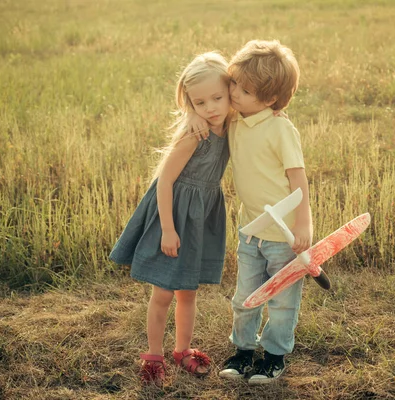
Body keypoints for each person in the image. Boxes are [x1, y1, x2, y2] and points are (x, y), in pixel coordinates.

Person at [188, 39, 312, 385]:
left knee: (282, 300)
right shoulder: (236, 120)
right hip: (250, 230)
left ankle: (273, 357)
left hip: (283, 236)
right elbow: (205, 108)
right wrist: (191, 117)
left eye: (243, 89)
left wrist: (304, 223)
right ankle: (243, 351)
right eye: (234, 83)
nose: (233, 93)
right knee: (245, 297)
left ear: (270, 99)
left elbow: (298, 179)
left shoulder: (280, 128)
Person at [109, 52, 232, 386]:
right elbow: (164, 181)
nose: (211, 108)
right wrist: (167, 229)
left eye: (218, 98)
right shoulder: (196, 135)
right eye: (200, 102)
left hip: (199, 219)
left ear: (230, 93)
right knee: (163, 292)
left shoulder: (231, 124)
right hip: (173, 215)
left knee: (188, 291)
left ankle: (182, 350)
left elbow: (256, 108)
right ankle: (153, 357)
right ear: (189, 103)